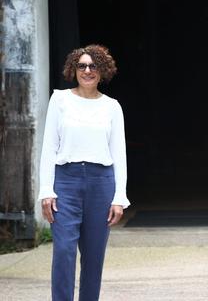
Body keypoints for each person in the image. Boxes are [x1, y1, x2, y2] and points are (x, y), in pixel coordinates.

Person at [39, 44, 130, 301]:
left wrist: (119, 197)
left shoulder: (112, 107)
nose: (87, 70)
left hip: (101, 183)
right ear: (73, 69)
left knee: (93, 256)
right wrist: (47, 190)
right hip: (65, 182)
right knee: (64, 252)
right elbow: (48, 148)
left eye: (93, 66)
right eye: (82, 66)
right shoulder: (60, 100)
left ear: (102, 71)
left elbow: (119, 154)